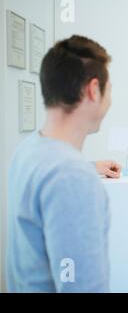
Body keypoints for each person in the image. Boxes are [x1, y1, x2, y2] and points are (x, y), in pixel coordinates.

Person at [7, 35, 119, 292]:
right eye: (109, 88)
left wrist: (89, 167)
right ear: (93, 90)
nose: (110, 98)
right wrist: (82, 172)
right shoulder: (72, 177)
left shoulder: (28, 151)